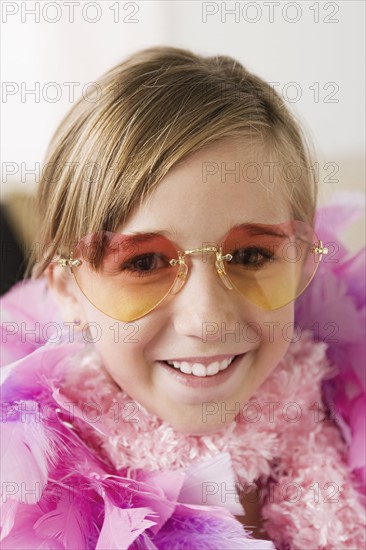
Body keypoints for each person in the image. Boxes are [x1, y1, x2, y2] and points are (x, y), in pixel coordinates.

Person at [1, 46, 365, 549]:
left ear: (304, 260)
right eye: (144, 263)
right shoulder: (25, 496)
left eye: (251, 255)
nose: (207, 319)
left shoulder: (343, 420)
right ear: (69, 291)